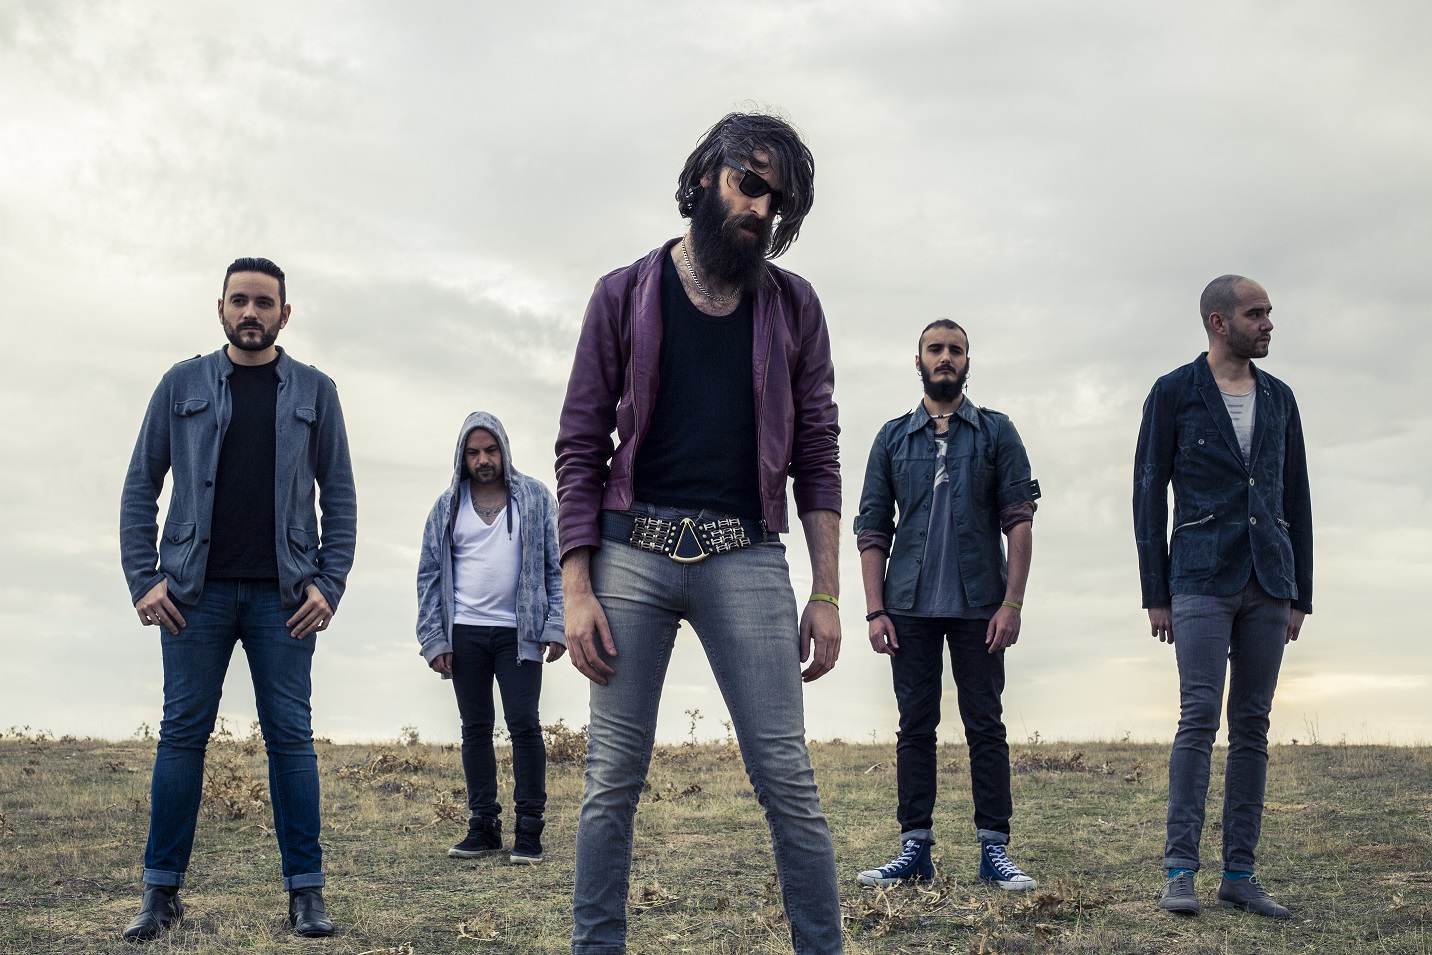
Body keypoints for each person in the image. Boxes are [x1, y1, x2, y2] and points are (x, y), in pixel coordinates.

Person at [555, 111, 845, 955]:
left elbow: (818, 453)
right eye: (749, 184)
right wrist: (576, 587)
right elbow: (580, 444)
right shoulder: (622, 293)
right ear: (706, 176)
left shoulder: (795, 306)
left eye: (776, 200)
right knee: (611, 778)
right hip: (630, 552)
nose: (760, 208)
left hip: (745, 553)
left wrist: (828, 592)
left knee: (786, 775)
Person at [119, 257, 356, 940]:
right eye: (240, 300)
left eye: (264, 302)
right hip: (192, 595)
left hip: (286, 598)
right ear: (220, 307)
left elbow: (340, 496)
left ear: (285, 313)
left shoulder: (316, 391)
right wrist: (144, 578)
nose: (251, 312)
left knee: (291, 739)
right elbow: (141, 485)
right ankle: (160, 894)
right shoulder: (181, 384)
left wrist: (329, 583)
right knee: (181, 736)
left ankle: (306, 894)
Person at [1133, 274, 1312, 919]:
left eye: (1268, 312)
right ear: (1218, 321)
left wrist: (1300, 594)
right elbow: (1148, 494)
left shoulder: (1281, 397)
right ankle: (1180, 870)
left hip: (1270, 580)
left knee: (1253, 724)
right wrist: (1156, 591)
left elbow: (1297, 496)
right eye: (1255, 313)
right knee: (1199, 717)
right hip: (1199, 577)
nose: (1268, 323)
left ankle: (1239, 874)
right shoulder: (1174, 392)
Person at [852, 320, 1041, 892]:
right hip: (907, 607)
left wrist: (1012, 603)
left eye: (955, 350)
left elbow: (1019, 521)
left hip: (981, 606)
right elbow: (871, 529)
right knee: (915, 726)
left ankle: (994, 851)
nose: (945, 358)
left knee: (985, 725)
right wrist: (875, 611)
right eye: (935, 349)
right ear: (918, 362)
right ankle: (915, 851)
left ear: (967, 363)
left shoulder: (997, 432)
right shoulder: (892, 438)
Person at [416, 412, 566, 864]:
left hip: (520, 632)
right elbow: (429, 574)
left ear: (504, 449)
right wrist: (434, 637)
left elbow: (556, 565)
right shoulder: (447, 506)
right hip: (464, 632)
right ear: (462, 457)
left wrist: (556, 625)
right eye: (473, 452)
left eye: (490, 450)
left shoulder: (535, 498)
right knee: (475, 728)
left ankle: (529, 830)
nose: (483, 459)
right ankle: (483, 827)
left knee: (524, 724)